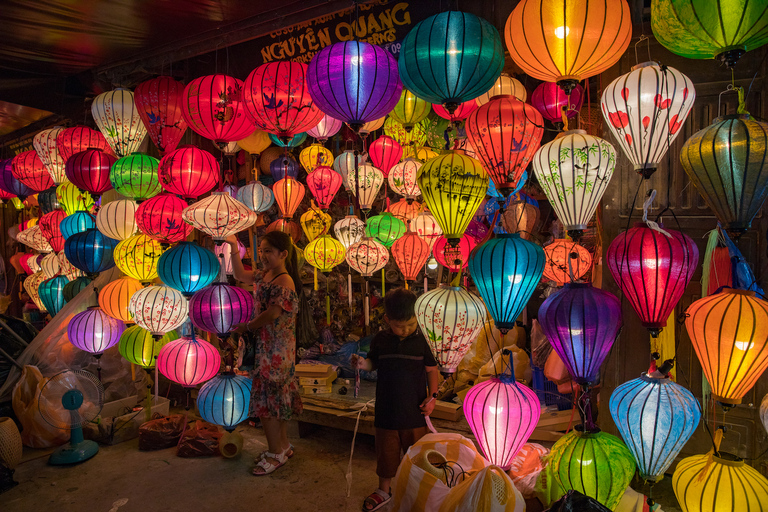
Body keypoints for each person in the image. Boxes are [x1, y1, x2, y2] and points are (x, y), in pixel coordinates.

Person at [351, 288, 439, 512]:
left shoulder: (423, 341)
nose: (406, 329)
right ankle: (384, 490)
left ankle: (416, 488)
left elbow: (431, 370)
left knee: (417, 454)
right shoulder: (381, 340)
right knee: (386, 454)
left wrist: (433, 397)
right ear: (387, 319)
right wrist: (362, 364)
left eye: (411, 324)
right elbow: (373, 363)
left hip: (415, 411)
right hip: (387, 411)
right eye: (400, 325)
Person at [226, 231, 302, 476]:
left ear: (283, 254)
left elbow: (273, 313)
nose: (264, 255)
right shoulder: (265, 275)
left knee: (269, 403)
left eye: (269, 251)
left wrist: (247, 327)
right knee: (276, 400)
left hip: (276, 350)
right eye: (262, 250)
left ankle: (275, 454)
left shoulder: (284, 281)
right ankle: (284, 446)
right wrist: (233, 247)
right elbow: (239, 274)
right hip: (267, 347)